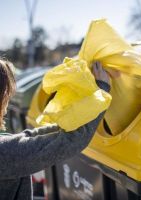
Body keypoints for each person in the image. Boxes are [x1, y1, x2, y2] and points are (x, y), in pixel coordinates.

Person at [0, 59, 110, 200]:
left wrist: (68, 123)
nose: (7, 102)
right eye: (6, 95)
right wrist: (102, 90)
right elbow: (72, 141)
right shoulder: (5, 153)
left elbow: (25, 138)